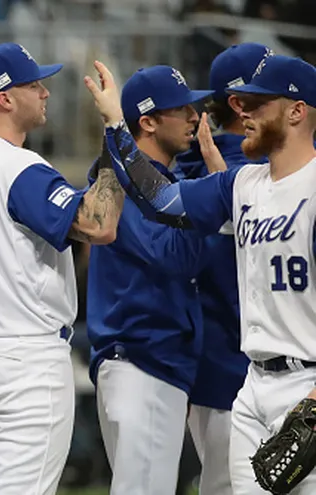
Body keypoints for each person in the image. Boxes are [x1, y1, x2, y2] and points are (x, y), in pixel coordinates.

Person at [93, 54, 316, 494]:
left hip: (308, 386)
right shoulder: (241, 184)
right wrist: (117, 125)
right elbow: (158, 199)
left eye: (257, 104)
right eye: (242, 104)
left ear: (296, 111)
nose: (243, 113)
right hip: (252, 387)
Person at [0, 43, 125, 495]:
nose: (45, 92)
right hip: (22, 361)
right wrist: (117, 133)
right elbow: (100, 225)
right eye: (34, 84)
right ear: (5, 97)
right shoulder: (17, 166)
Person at [86, 65, 214, 495]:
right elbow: (176, 256)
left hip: (154, 363)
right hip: (141, 361)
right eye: (182, 109)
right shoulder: (122, 183)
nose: (195, 116)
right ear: (149, 121)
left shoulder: (164, 182)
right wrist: (213, 206)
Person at [173, 42, 273, 495]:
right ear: (242, 103)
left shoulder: (221, 166)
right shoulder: (238, 172)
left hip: (232, 371)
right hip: (233, 370)